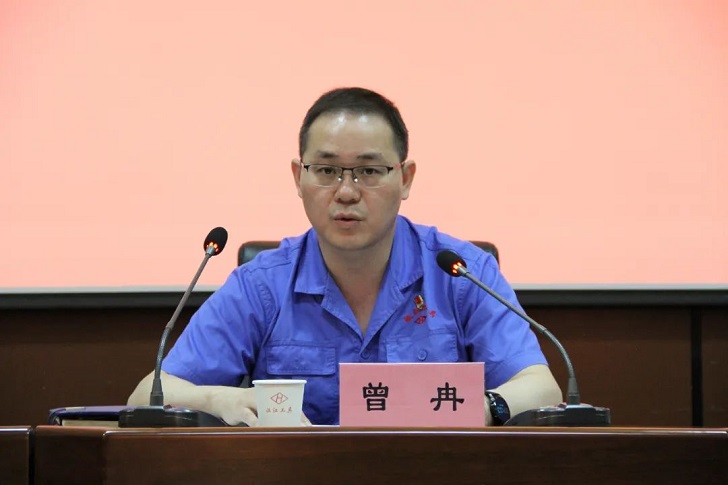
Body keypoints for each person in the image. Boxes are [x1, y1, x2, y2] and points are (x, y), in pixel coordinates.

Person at [128, 87, 562, 426]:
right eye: (327, 170)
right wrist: (219, 399)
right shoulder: (261, 286)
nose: (347, 191)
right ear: (298, 177)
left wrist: (482, 407)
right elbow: (148, 395)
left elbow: (541, 387)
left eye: (369, 171)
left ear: (406, 178)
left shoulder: (460, 274)